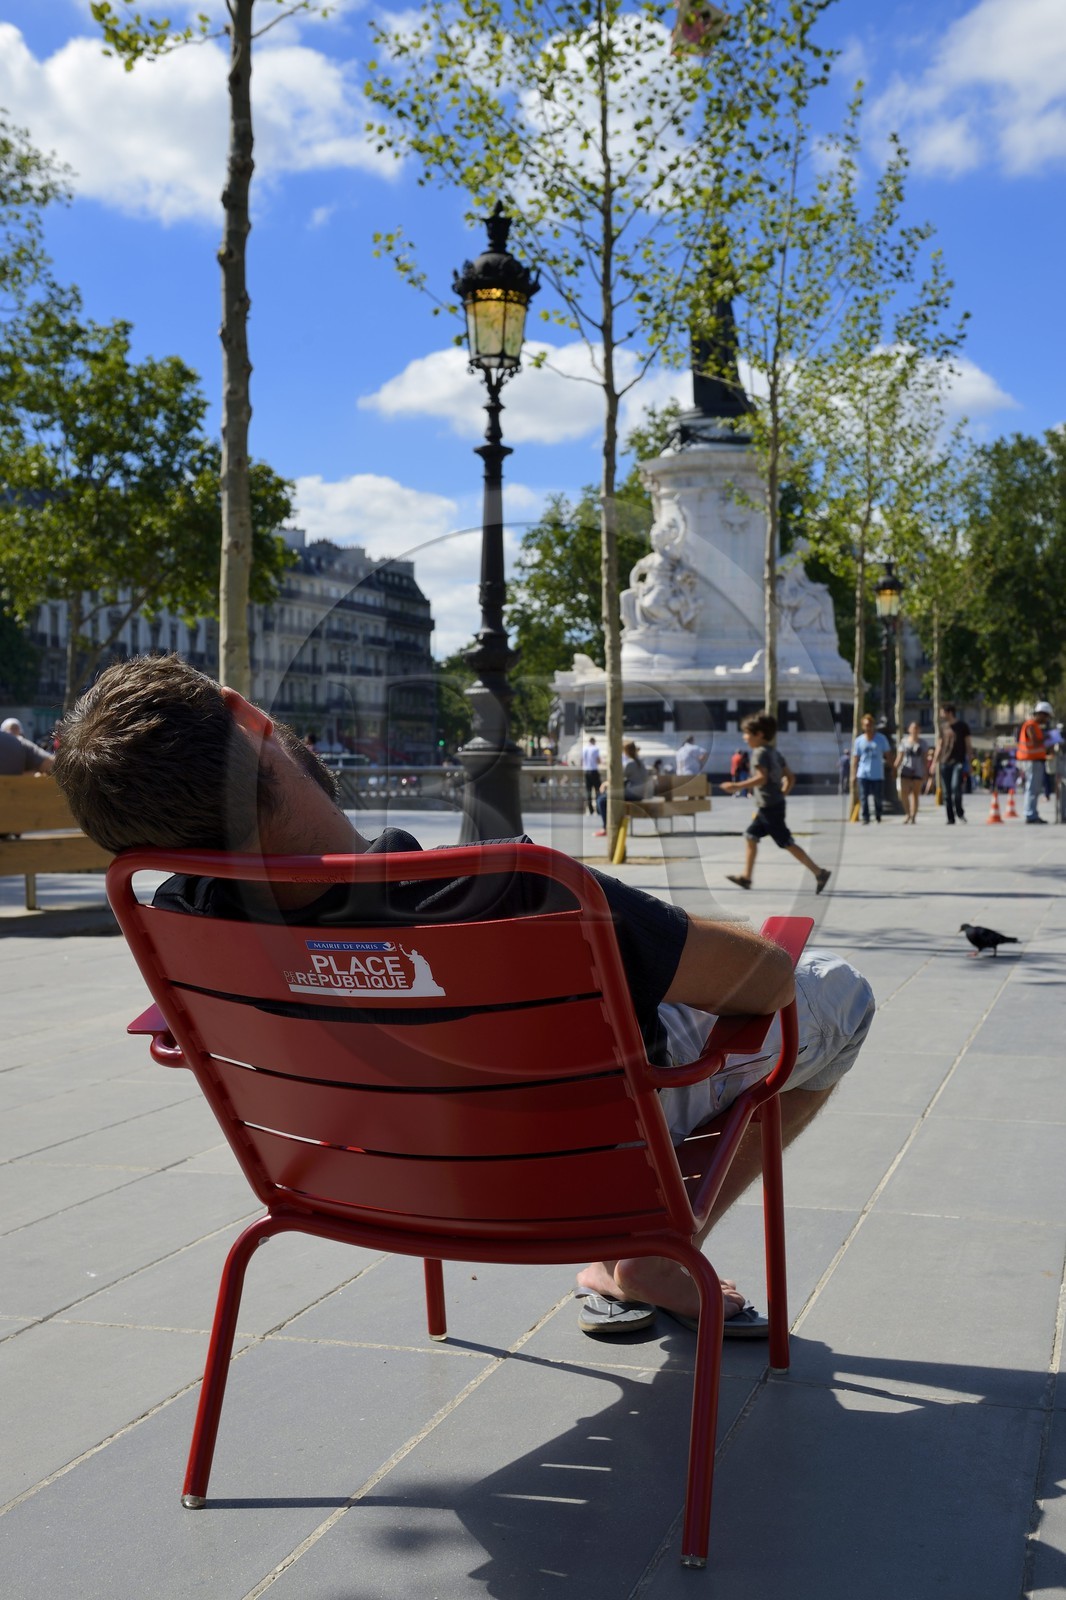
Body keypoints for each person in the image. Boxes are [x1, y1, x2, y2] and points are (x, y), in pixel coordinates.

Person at [53, 656, 874, 1337]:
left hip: (377, 1176)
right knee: (835, 990)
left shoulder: (181, 929)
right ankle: (660, 1251)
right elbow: (764, 982)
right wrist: (665, 930)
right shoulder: (515, 889)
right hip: (584, 1163)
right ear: (253, 721)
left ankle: (647, 1254)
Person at [719, 712, 831, 896]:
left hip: (769, 808)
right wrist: (781, 795)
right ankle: (746, 877)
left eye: (747, 733)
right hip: (772, 805)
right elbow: (791, 778)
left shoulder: (759, 754)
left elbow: (761, 778)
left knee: (786, 842)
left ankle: (819, 872)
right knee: (750, 836)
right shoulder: (774, 752)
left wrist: (735, 786)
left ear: (759, 734)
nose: (744, 737)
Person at [594, 740, 651, 834]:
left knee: (602, 800)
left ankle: (606, 827)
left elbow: (617, 778)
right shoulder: (640, 762)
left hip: (633, 794)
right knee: (607, 797)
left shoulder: (630, 764)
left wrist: (605, 783)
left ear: (626, 751)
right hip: (640, 793)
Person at [930, 703, 972, 825]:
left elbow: (968, 745)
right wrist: (934, 763)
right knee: (947, 792)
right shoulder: (943, 727)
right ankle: (950, 818)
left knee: (955, 788)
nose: (941, 715)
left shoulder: (962, 726)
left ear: (949, 712)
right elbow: (939, 746)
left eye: (942, 712)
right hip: (944, 762)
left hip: (958, 762)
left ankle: (959, 812)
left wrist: (969, 763)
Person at [850, 713, 893, 824]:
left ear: (873, 725)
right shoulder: (859, 741)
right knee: (863, 796)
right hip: (863, 773)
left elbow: (888, 754)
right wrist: (853, 775)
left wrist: (892, 768)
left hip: (877, 773)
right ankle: (866, 817)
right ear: (863, 726)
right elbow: (855, 759)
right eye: (866, 725)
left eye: (870, 724)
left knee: (878, 797)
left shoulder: (881, 739)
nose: (868, 727)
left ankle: (878, 814)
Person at [1016, 701, 1053, 824]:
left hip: (1035, 761)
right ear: (1041, 714)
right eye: (1046, 716)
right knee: (1032, 789)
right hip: (1031, 761)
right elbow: (1035, 741)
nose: (1047, 719)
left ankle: (1032, 813)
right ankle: (1030, 814)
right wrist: (1048, 737)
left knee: (1035, 789)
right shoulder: (1031, 725)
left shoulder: (1035, 726)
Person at [896, 722, 927, 825]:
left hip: (918, 770)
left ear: (919, 730)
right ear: (909, 729)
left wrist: (925, 772)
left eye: (917, 728)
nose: (915, 730)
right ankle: (907, 813)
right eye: (913, 728)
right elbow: (900, 756)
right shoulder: (904, 741)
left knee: (915, 794)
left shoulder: (923, 743)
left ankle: (913, 816)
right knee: (903, 793)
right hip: (906, 769)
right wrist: (894, 767)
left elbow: (925, 759)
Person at [580, 736, 602, 815]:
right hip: (594, 771)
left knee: (588, 791)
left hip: (586, 771)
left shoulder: (584, 749)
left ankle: (590, 809)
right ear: (594, 741)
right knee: (598, 791)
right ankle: (599, 809)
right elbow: (598, 760)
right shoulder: (595, 748)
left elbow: (582, 761)